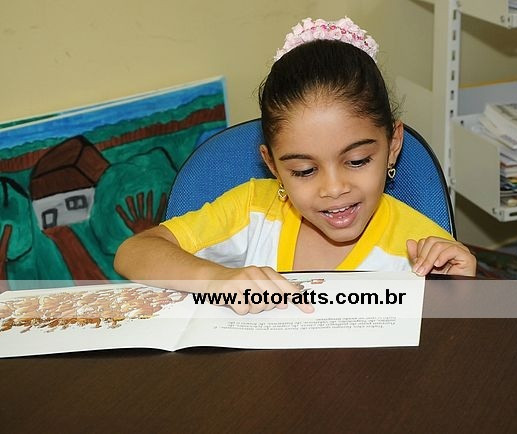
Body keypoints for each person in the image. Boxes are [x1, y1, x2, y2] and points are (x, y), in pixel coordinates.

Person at [114, 17, 476, 314]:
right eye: (304, 171)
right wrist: (217, 280)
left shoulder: (421, 250)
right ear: (272, 165)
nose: (334, 189)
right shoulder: (253, 211)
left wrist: (460, 296)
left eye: (357, 161)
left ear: (393, 145)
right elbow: (133, 253)